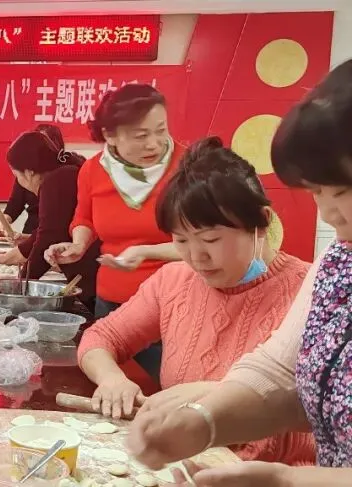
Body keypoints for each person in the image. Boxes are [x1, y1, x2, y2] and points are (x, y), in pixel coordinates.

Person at [127, 59, 352, 487]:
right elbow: (281, 371)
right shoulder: (339, 262)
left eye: (341, 191)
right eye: (316, 192)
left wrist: (290, 481)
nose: (328, 213)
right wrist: (203, 422)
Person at [77, 137, 313, 465]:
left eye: (211, 239)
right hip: (186, 467)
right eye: (181, 240)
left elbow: (320, 411)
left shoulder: (312, 291)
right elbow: (101, 337)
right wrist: (112, 379)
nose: (196, 257)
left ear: (262, 222)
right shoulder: (174, 281)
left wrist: (215, 397)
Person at [45, 84, 184, 378]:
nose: (154, 144)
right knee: (113, 387)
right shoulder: (94, 170)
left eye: (161, 130)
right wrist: (78, 244)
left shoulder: (187, 167)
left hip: (174, 305)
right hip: (112, 304)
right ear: (110, 135)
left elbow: (202, 245)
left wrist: (146, 251)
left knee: (169, 387)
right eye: (140, 136)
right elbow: (85, 218)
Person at [0, 130, 97, 306]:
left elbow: (49, 236)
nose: (19, 182)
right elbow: (49, 230)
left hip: (96, 278)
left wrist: (20, 287)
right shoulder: (65, 173)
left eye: (17, 176)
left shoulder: (57, 180)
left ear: (29, 173)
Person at [0, 124, 69, 237]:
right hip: (32, 232)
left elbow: (53, 230)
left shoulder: (63, 179)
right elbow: (15, 203)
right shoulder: (25, 172)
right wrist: (5, 220)